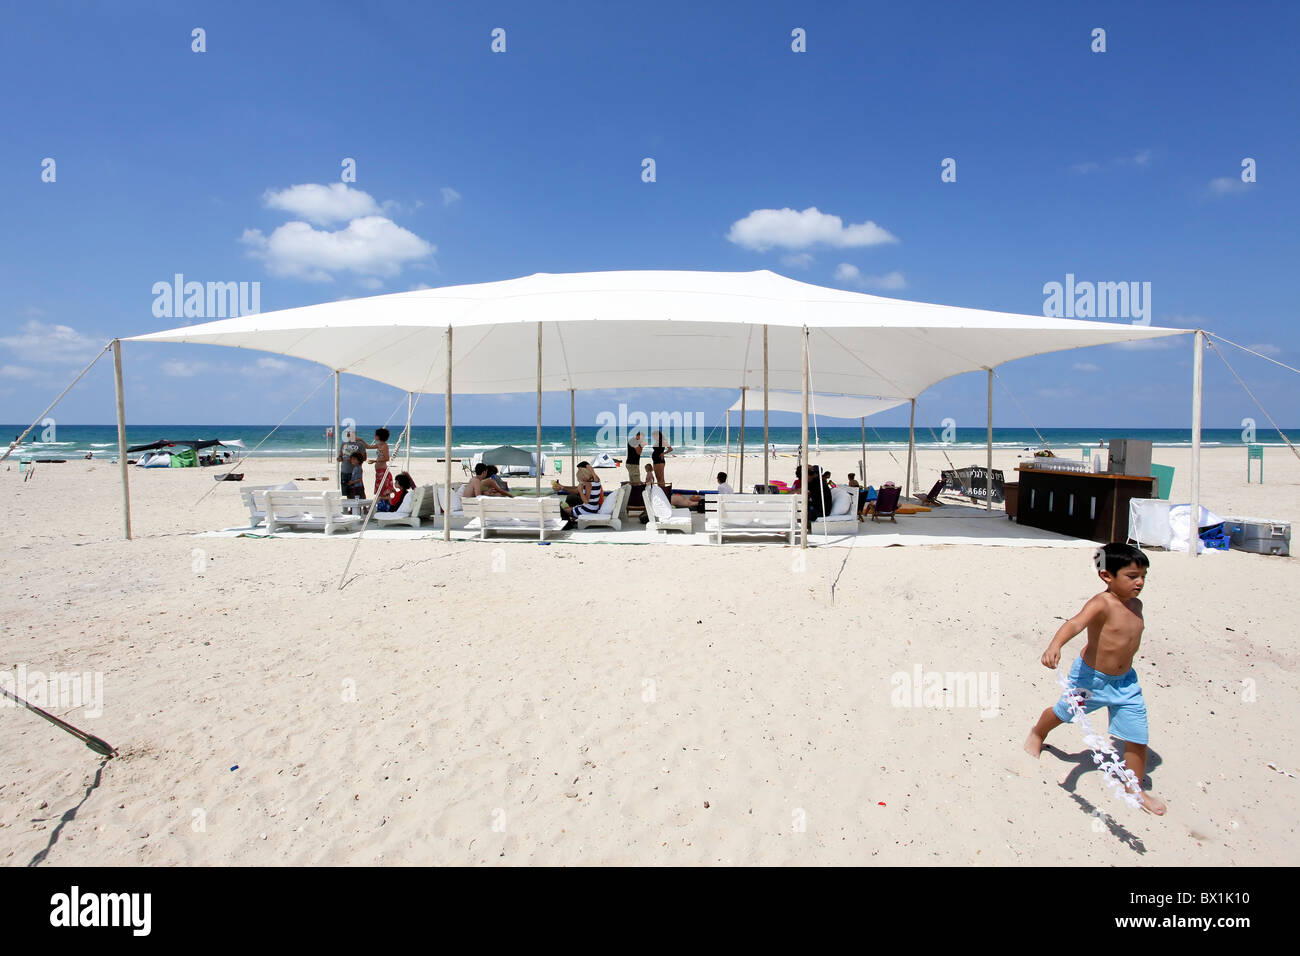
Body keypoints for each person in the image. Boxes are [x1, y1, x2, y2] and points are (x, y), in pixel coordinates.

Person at [1024, 543, 1165, 816]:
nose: (1140, 582)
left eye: (1144, 576)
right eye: (1132, 576)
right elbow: (1075, 623)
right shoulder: (1102, 603)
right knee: (1064, 713)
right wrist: (1055, 645)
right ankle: (1038, 732)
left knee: (1136, 737)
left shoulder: (1137, 605)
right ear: (1107, 576)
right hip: (1091, 680)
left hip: (1125, 683)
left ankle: (1134, 787)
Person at [367, 427, 395, 500]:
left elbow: (386, 458)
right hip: (378, 471)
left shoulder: (385, 446)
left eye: (375, 435)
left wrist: (375, 461)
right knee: (381, 491)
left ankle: (388, 505)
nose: (374, 436)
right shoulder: (378, 445)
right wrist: (360, 440)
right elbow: (368, 447)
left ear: (379, 436)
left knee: (384, 492)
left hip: (383, 471)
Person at [338, 428, 366, 496]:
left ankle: (362, 506)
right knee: (346, 492)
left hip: (355, 471)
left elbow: (364, 458)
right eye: (347, 432)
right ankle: (349, 506)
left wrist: (353, 459)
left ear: (354, 433)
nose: (348, 434)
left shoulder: (360, 444)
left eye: (349, 432)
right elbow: (340, 456)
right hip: (344, 471)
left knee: (358, 491)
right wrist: (340, 458)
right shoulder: (344, 444)